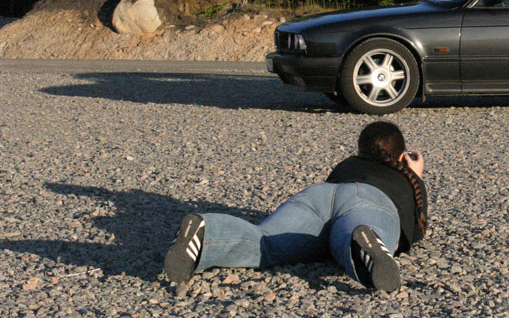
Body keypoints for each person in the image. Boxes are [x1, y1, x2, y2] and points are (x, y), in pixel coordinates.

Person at [164, 121, 427, 292]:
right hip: (369, 201)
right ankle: (366, 247)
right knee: (353, 234)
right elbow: (413, 233)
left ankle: (207, 232)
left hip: (319, 195)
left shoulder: (347, 164)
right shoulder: (407, 178)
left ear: (360, 150)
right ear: (402, 156)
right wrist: (415, 175)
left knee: (266, 241)